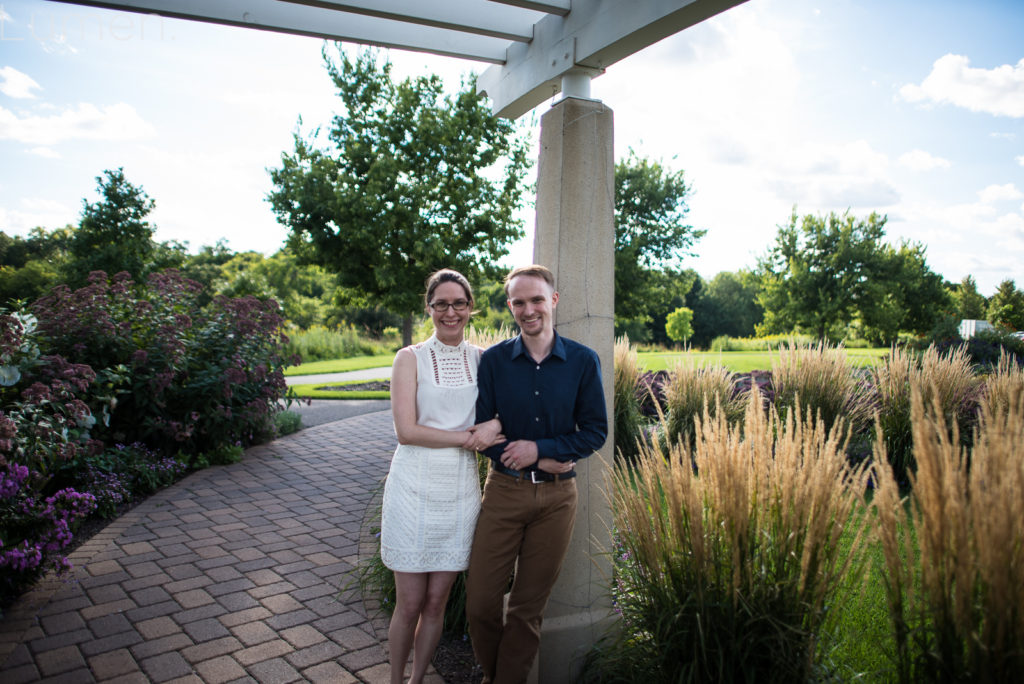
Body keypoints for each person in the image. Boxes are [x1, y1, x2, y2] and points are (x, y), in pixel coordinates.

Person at [465, 264, 608, 684]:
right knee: (480, 605)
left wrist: (540, 450)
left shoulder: (583, 361)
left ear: (553, 301)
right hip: (504, 493)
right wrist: (532, 456)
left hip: (557, 500)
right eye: (519, 302)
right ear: (510, 306)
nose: (529, 310)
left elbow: (595, 432)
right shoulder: (493, 362)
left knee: (527, 610)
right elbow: (480, 431)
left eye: (537, 300)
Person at [381, 268, 503, 684]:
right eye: (441, 304)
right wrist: (466, 437)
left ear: (470, 307)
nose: (450, 312)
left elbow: (502, 419)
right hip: (413, 483)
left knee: (437, 602)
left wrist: (491, 429)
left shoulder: (485, 360)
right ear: (429, 307)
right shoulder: (409, 357)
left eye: (459, 303)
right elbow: (406, 431)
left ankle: (417, 682)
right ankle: (396, 680)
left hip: (459, 487)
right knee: (410, 602)